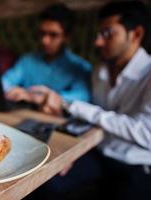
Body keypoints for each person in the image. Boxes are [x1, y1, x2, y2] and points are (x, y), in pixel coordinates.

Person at [30, 1, 151, 200]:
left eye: (107, 33)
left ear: (136, 34)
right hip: (97, 150)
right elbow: (92, 121)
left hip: (136, 162)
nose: (98, 42)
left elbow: (147, 133)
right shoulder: (100, 71)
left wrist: (71, 105)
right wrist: (70, 152)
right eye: (98, 34)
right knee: (44, 181)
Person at [2, 3, 91, 115]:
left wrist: (43, 97)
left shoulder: (80, 67)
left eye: (53, 35)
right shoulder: (27, 60)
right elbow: (5, 81)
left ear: (67, 37)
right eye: (42, 33)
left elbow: (83, 96)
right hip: (21, 115)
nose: (45, 41)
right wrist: (13, 90)